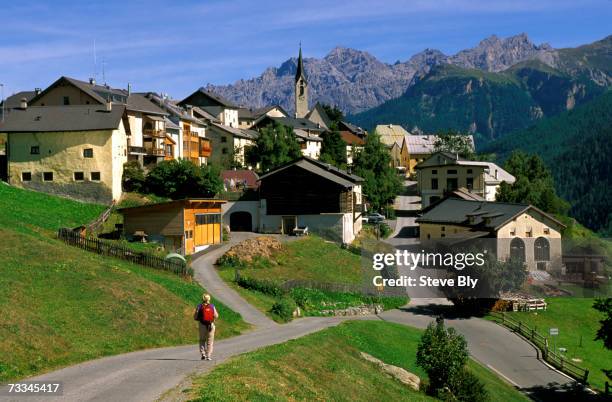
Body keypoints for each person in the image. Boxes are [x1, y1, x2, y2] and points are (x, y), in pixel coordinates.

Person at [193, 293, 218, 360]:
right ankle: (208, 356)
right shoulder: (212, 306)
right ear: (209, 299)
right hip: (210, 325)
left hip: (202, 325)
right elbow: (216, 316)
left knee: (202, 340)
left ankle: (203, 354)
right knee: (210, 341)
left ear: (203, 299)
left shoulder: (199, 306)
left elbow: (195, 317)